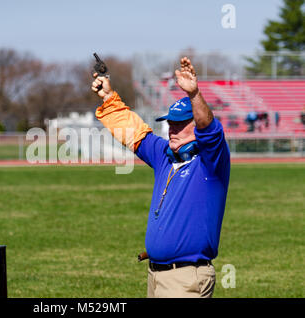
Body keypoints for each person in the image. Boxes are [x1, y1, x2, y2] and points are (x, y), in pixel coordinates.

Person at [91, 57, 231, 298]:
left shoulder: (211, 162)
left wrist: (194, 93)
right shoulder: (164, 156)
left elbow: (209, 129)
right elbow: (132, 132)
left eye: (179, 125)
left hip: (187, 279)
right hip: (155, 276)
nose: (171, 130)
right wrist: (108, 97)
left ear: (195, 126)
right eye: (170, 124)